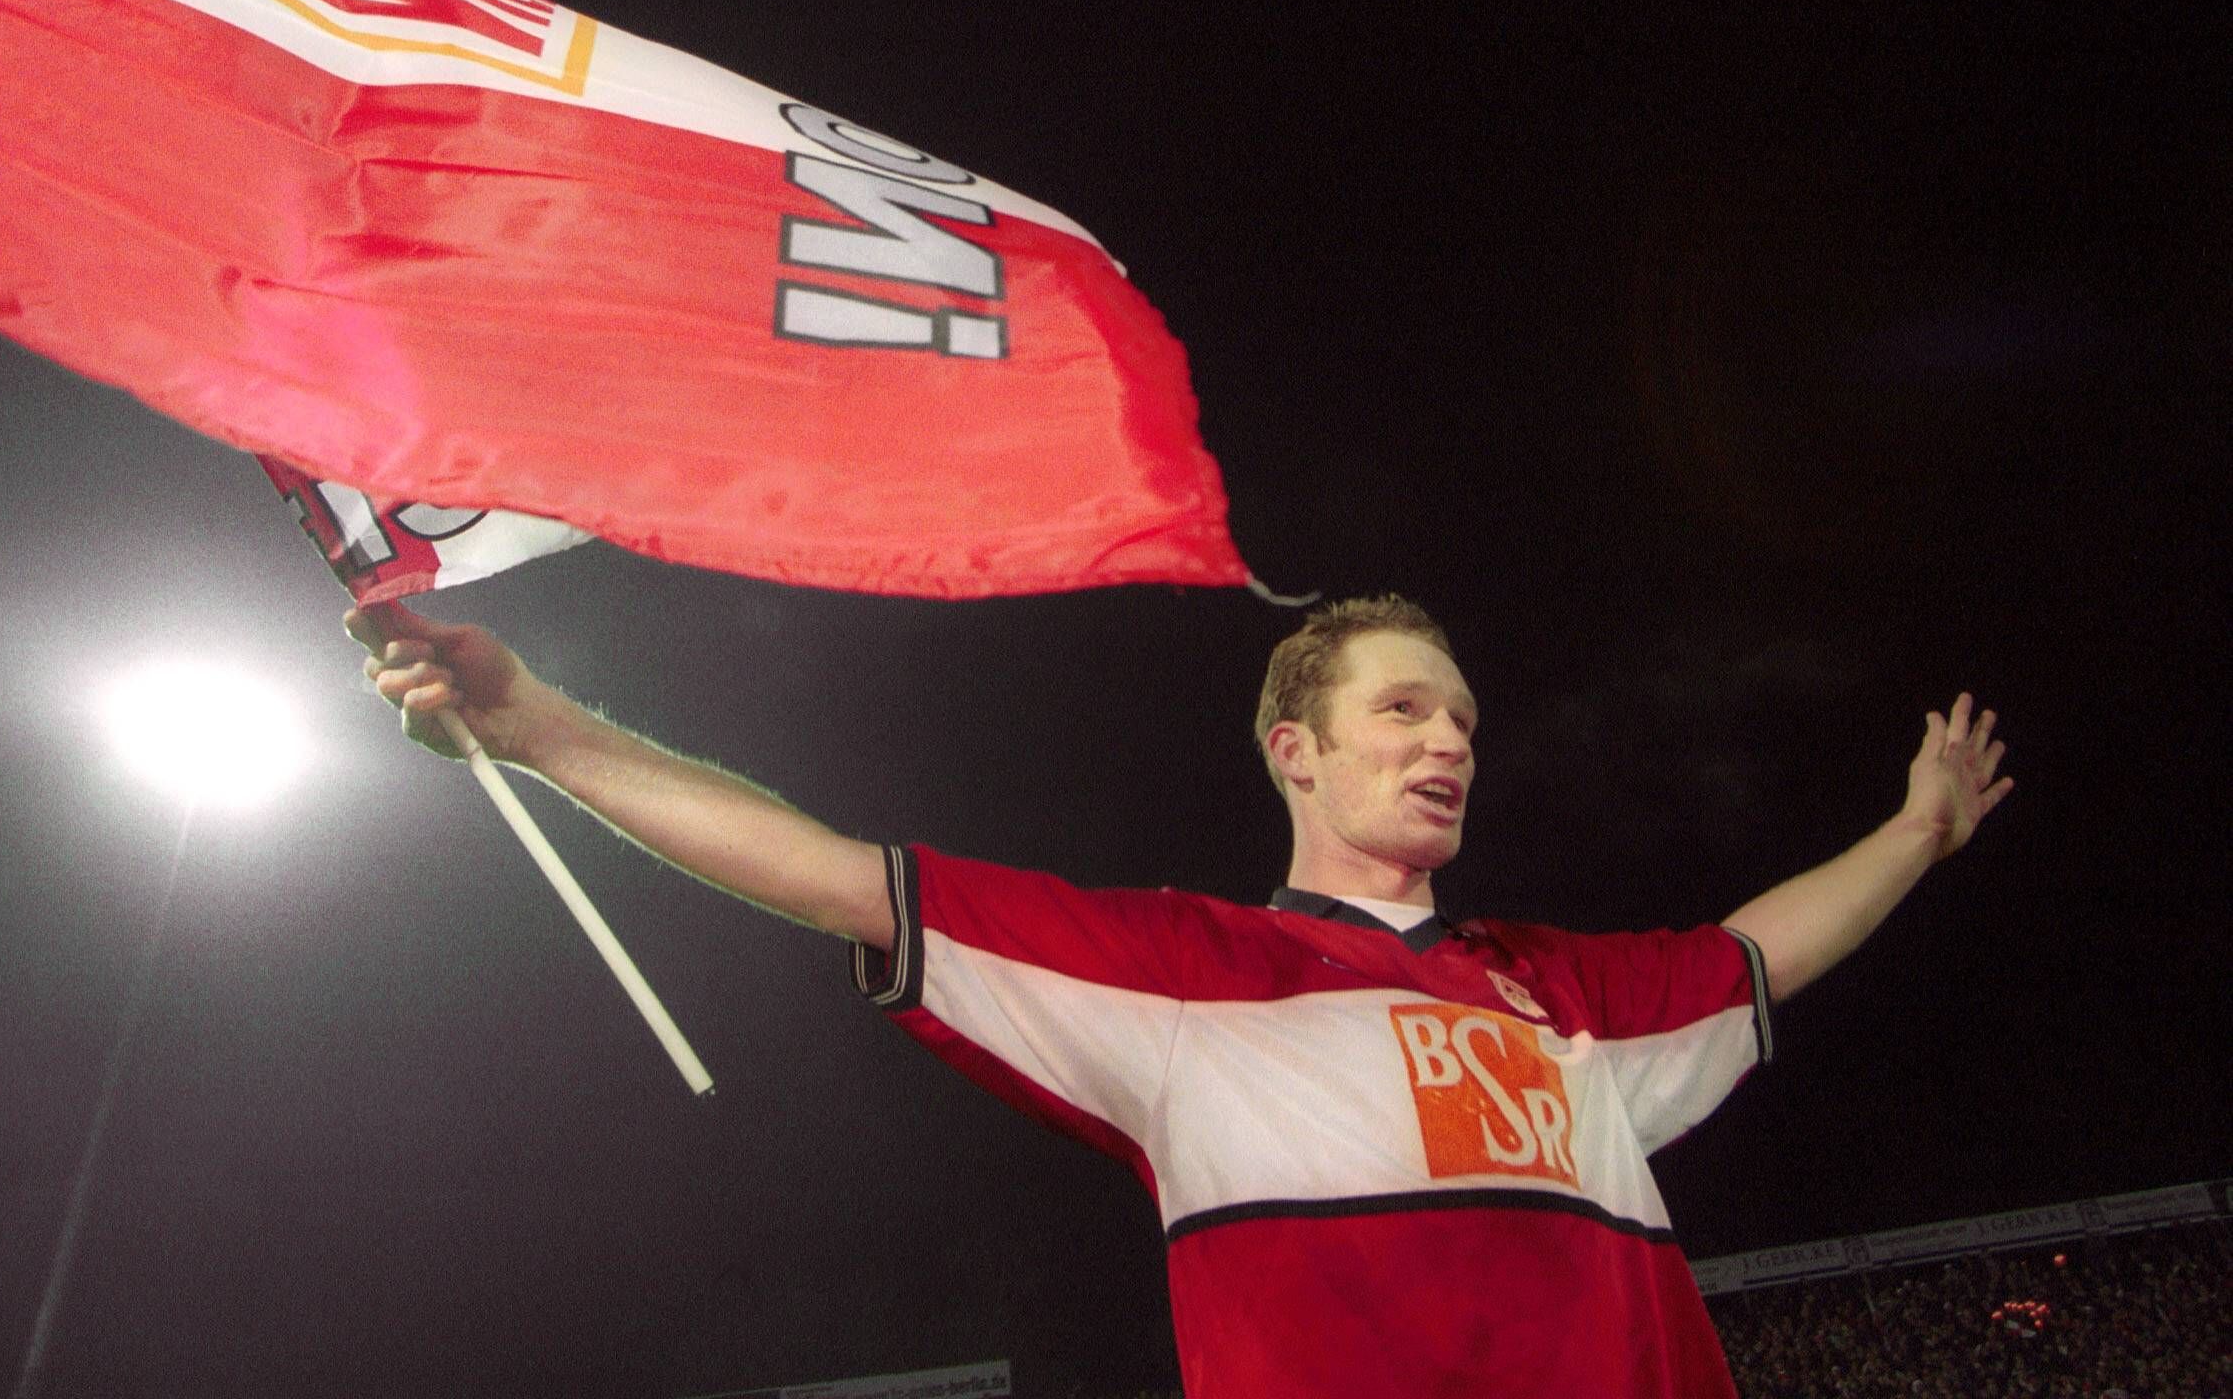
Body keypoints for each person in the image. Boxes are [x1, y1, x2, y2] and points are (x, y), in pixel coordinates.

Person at [350, 593, 2011, 1398]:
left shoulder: (1563, 993)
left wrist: (1919, 834)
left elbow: (1762, 952)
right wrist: (543, 728)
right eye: (1409, 712)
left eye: (1468, 726)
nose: (1451, 745)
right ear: (1296, 748)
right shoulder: (1181, 976)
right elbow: (835, 875)